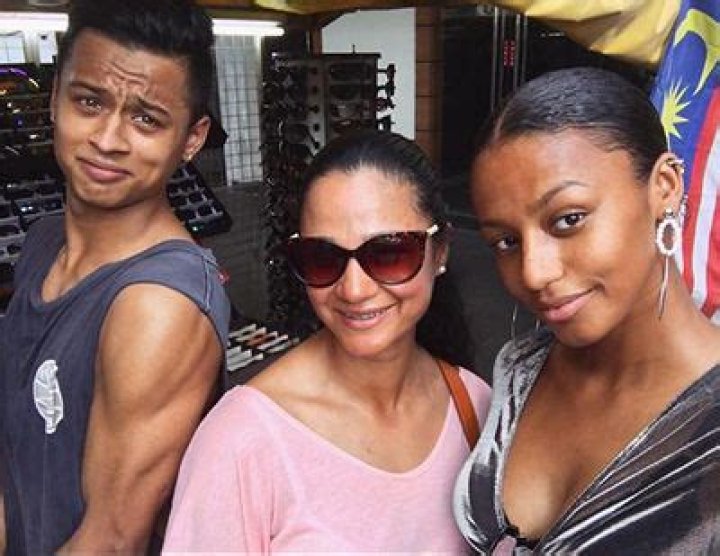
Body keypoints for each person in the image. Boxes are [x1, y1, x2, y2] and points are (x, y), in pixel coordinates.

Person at [163, 130, 492, 553]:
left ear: (440, 250)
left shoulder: (474, 406)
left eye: (389, 253)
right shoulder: (242, 440)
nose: (354, 289)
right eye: (323, 258)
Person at [454, 66, 720, 554]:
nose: (534, 273)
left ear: (664, 186)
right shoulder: (521, 369)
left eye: (568, 220)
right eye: (506, 241)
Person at [0, 0, 231, 553]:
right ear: (55, 98)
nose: (107, 139)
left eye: (146, 118)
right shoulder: (43, 242)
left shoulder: (157, 304)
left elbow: (110, 540)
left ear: (192, 139)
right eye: (89, 101)